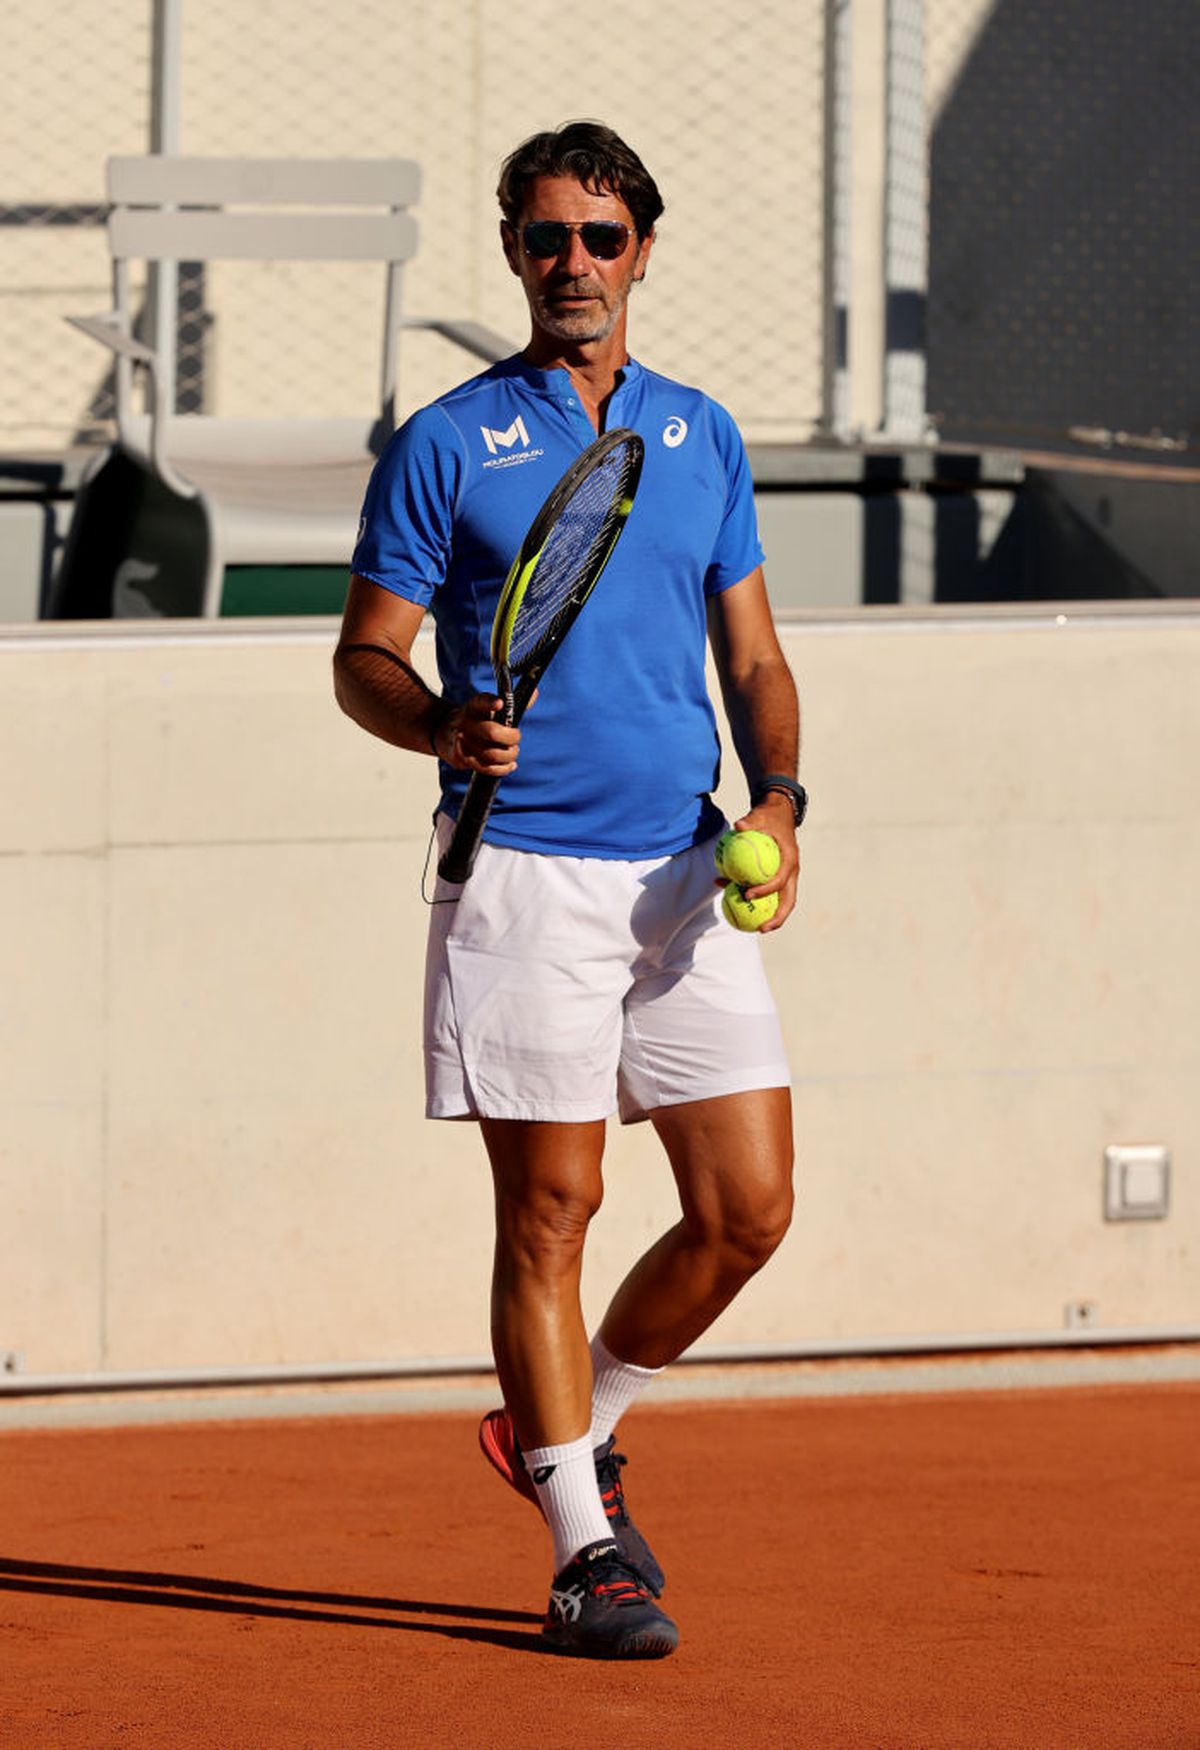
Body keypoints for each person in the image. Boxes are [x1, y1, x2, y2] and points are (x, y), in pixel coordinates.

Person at [334, 120, 805, 1660]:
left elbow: (752, 654)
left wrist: (781, 804)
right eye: (546, 239)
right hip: (524, 874)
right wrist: (437, 723)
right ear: (516, 254)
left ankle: (569, 1424)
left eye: (602, 238)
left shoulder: (705, 435)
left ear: (645, 251)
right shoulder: (452, 441)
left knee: (746, 1209)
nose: (574, 266)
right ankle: (581, 1548)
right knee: (555, 1208)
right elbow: (364, 658)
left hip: (686, 869)